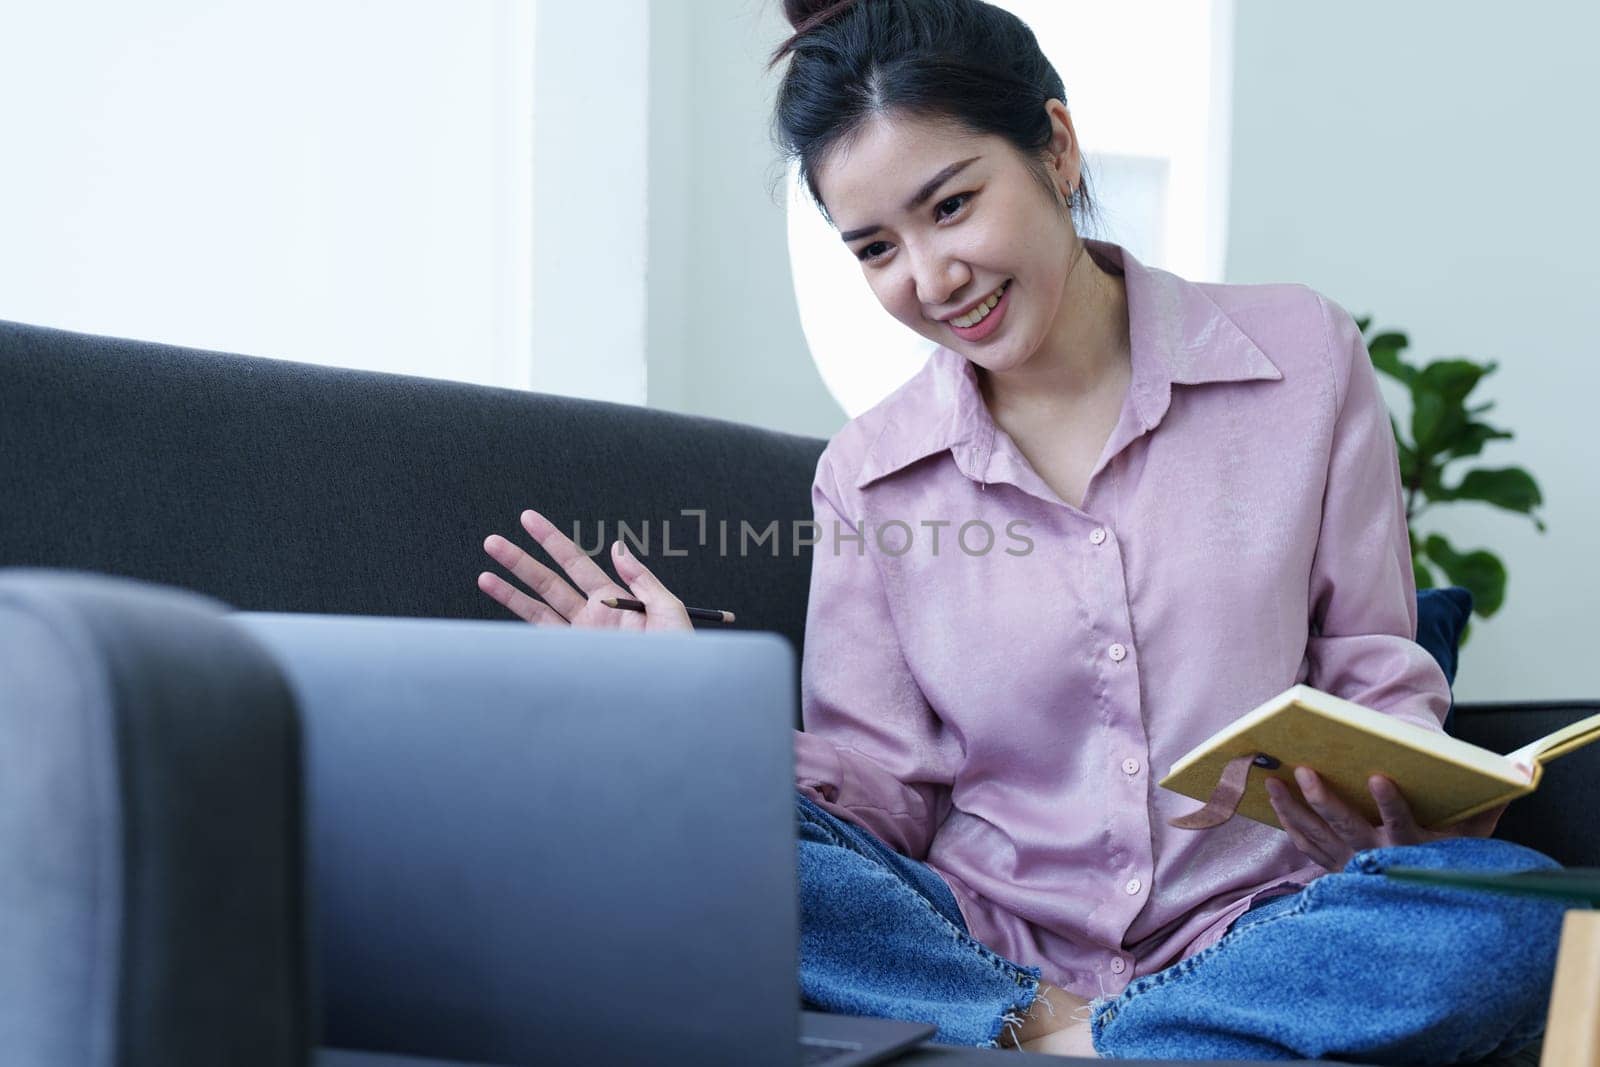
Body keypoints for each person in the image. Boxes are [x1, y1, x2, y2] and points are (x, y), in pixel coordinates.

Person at [476, 0, 1578, 1059]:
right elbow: (883, 795)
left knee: (1521, 922)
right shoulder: (869, 474)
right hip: (981, 940)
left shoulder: (1301, 358)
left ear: (1054, 145)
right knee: (694, 846)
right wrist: (694, 716)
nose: (929, 276)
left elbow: (1374, 672)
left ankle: (1082, 1039)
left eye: (951, 205)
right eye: (874, 248)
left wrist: (1392, 810)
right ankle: (1074, 1022)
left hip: (1265, 926)